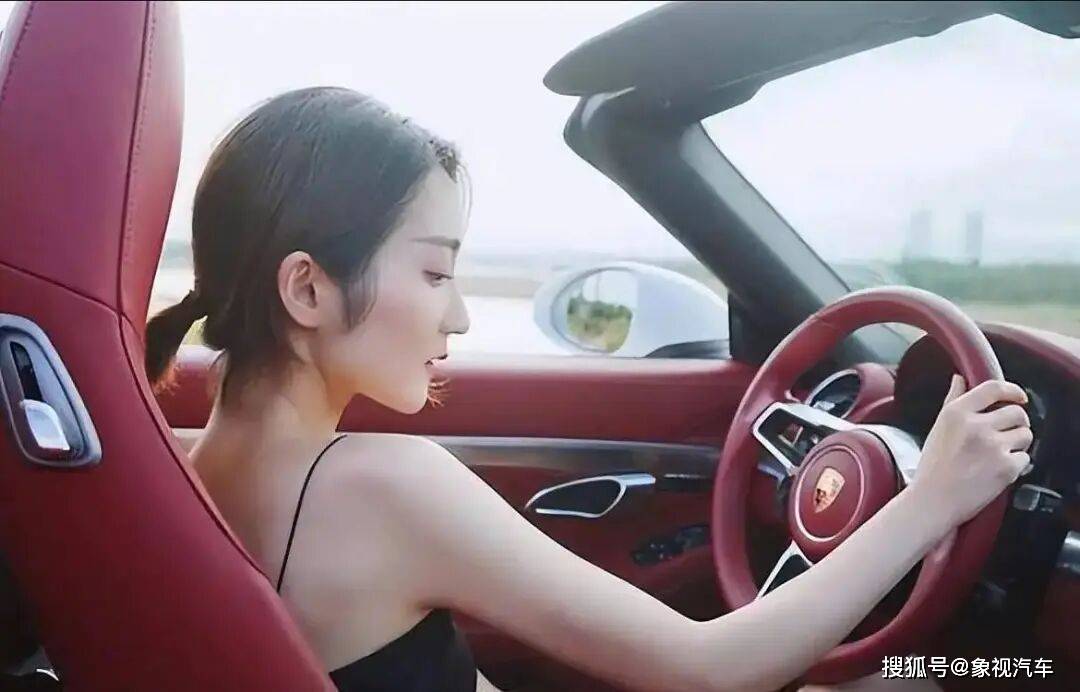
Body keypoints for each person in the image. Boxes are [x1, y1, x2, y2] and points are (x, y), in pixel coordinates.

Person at [145, 87, 1033, 692]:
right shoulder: (378, 487)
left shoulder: (172, 469)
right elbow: (710, 670)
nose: (458, 317)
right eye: (434, 273)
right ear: (307, 290)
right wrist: (931, 498)